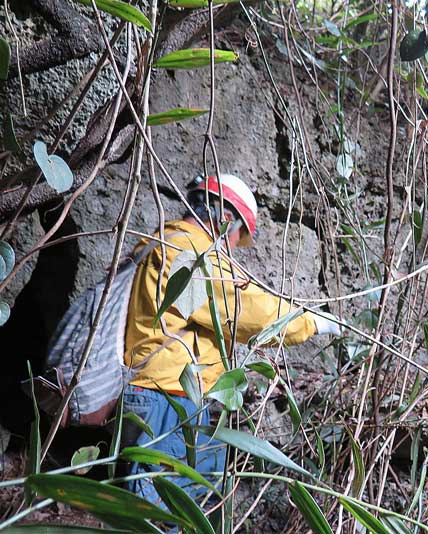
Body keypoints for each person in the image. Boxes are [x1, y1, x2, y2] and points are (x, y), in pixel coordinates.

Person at [121, 173, 342, 505]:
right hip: (167, 397)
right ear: (225, 218)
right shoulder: (186, 250)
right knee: (158, 511)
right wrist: (310, 322)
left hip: (169, 394)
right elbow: (237, 306)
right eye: (238, 237)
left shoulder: (158, 243)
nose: (234, 247)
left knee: (197, 498)